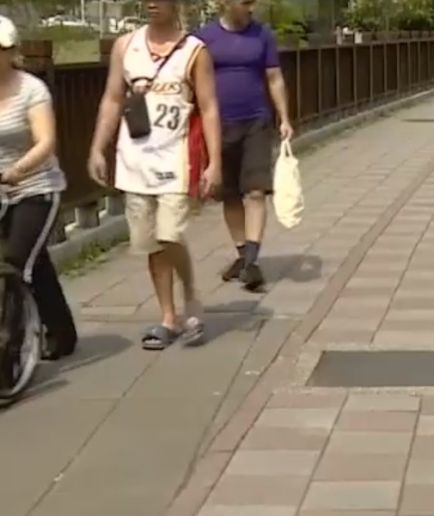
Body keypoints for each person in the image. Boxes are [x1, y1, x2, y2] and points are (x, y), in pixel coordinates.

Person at [88, 0, 222, 350]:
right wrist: (98, 148)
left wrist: (215, 162)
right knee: (150, 242)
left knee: (170, 233)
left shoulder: (194, 51)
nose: (151, 3)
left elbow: (209, 107)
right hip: (135, 160)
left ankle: (190, 295)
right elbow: (112, 99)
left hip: (176, 159)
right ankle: (167, 317)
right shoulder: (126, 46)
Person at [196, 0, 293, 292]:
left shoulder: (262, 35)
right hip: (218, 126)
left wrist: (284, 118)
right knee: (230, 194)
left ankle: (251, 261)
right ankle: (242, 254)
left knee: (256, 190)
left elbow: (274, 78)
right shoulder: (203, 38)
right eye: (245, 2)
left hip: (256, 121)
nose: (251, 8)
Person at [0, 16, 76, 360]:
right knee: (36, 261)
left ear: (11, 51)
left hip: (36, 186)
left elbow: (46, 141)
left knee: (17, 262)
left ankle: (11, 347)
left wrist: (18, 170)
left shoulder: (31, 90)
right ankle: (62, 332)